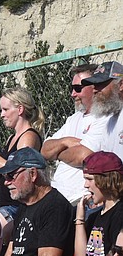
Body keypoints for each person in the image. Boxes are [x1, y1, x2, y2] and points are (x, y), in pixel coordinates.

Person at [58, 152, 123, 256]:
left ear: (106, 180)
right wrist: (80, 218)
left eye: (90, 179)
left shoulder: (120, 212)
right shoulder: (94, 216)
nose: (85, 185)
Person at [41, 63, 99, 201]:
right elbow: (45, 150)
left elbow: (84, 157)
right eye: (72, 88)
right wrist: (66, 141)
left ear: (95, 87)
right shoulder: (74, 119)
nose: (73, 94)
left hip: (83, 198)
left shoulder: (105, 118)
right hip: (60, 198)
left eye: (78, 88)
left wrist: (58, 153)